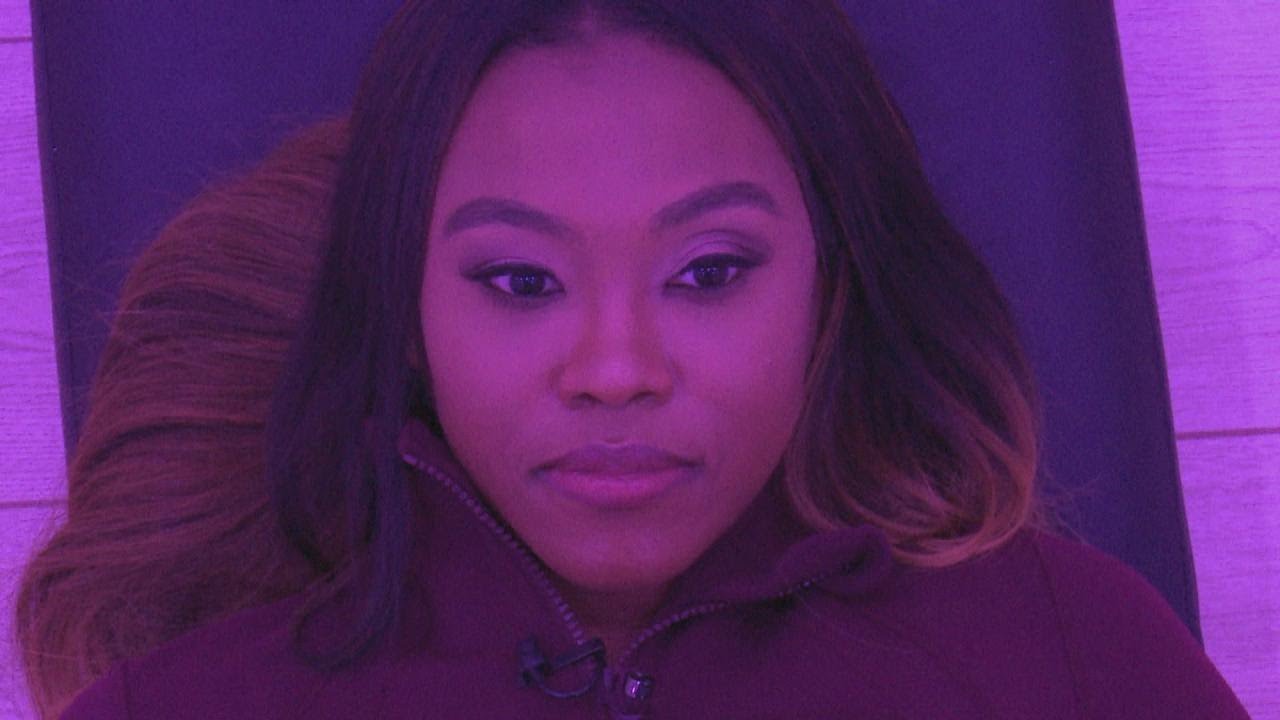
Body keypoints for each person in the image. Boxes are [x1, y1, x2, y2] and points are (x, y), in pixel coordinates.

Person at [17, 0, 1248, 717]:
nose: (615, 369)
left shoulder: (1071, 656)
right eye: (520, 282)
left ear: (830, 283)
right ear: (402, 310)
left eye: (708, 272)